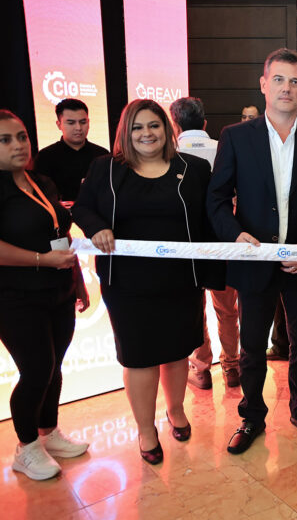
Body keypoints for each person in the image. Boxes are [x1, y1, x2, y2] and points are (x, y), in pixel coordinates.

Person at [73, 99, 222, 465]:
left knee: (177, 350)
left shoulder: (194, 168)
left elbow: (211, 218)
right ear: (126, 132)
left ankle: (175, 410)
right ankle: (145, 429)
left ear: (167, 130)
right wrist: (96, 227)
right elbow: (82, 207)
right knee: (139, 356)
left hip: (181, 281)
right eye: (137, 127)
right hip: (127, 285)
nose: (146, 133)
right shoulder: (106, 169)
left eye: (154, 125)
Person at [208, 48, 297, 455]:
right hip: (253, 260)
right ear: (264, 84)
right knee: (251, 345)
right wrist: (235, 235)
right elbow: (216, 198)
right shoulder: (236, 137)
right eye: (278, 79)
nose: (286, 88)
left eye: (294, 81)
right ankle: (251, 416)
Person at [0, 110, 90, 480]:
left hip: (59, 290)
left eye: (21, 136)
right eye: (5, 140)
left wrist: (77, 280)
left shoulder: (42, 182)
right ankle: (26, 449)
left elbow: (61, 232)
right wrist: (42, 260)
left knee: (54, 367)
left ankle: (48, 433)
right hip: (15, 297)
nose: (18, 145)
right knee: (36, 370)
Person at [169, 96, 240, 390]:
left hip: (185, 241)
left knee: (193, 308)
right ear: (205, 122)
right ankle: (232, 366)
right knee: (228, 308)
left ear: (174, 125)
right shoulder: (224, 147)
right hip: (223, 239)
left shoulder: (169, 154)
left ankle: (201, 368)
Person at [33, 99, 108, 203]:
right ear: (59, 125)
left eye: (83, 122)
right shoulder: (45, 157)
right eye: (71, 123)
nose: (78, 128)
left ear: (89, 122)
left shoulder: (102, 155)